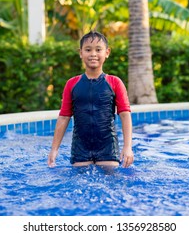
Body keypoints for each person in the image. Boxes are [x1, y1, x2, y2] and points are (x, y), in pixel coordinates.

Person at [47, 31, 134, 168]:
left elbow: (125, 114)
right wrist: (54, 149)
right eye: (88, 50)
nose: (93, 54)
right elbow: (64, 117)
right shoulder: (72, 84)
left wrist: (127, 147)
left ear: (107, 52)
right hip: (80, 149)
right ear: (81, 53)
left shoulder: (115, 82)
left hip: (108, 147)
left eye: (98, 50)